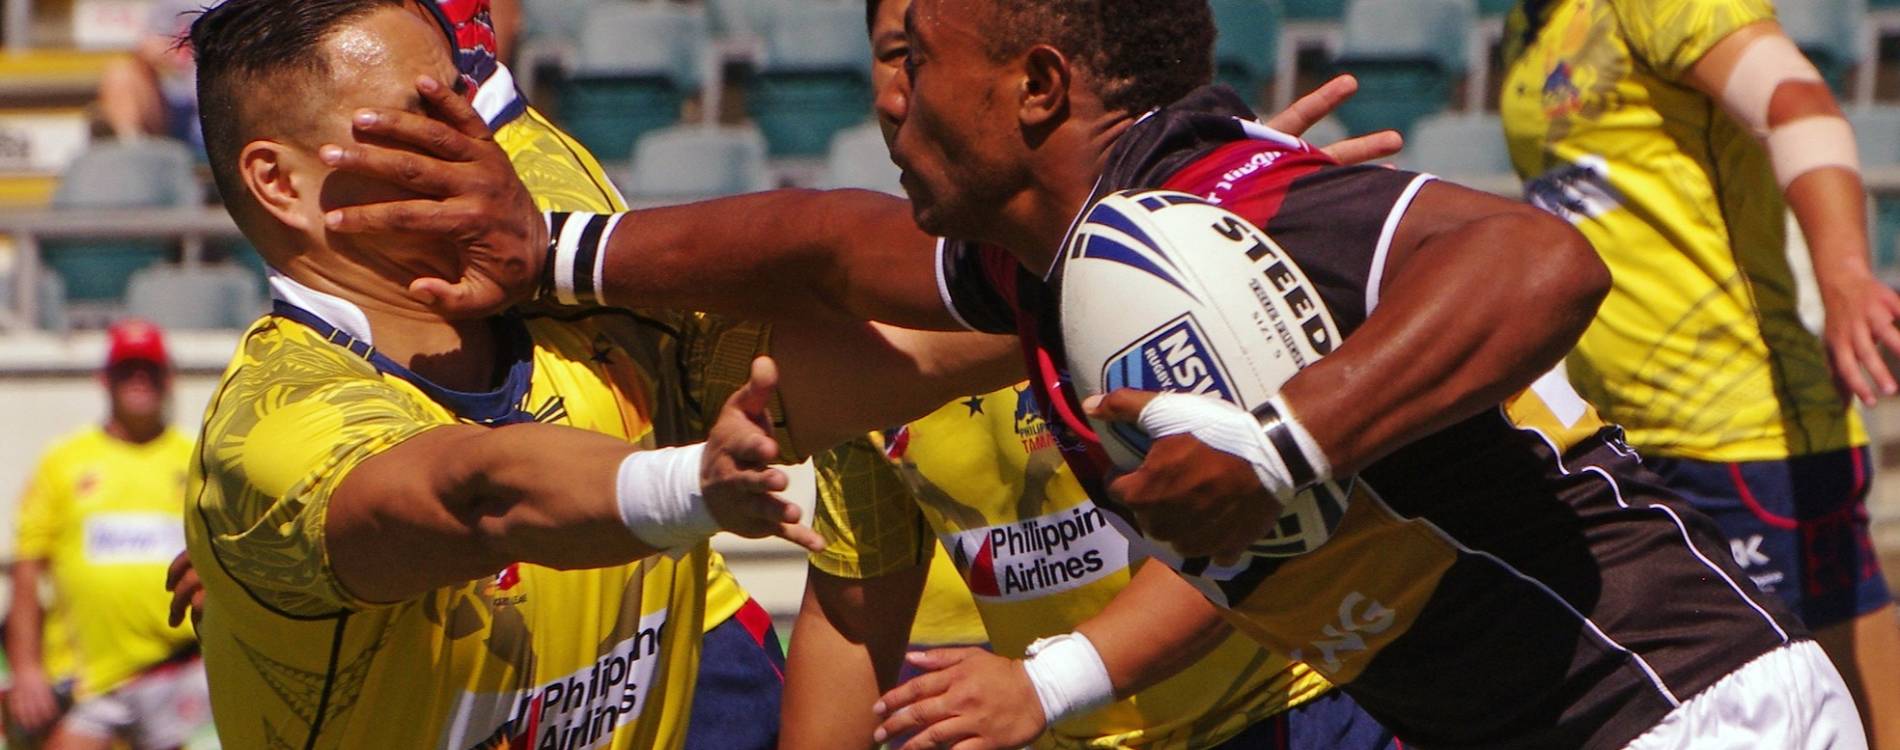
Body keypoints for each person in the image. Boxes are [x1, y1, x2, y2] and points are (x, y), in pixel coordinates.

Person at [324, 0, 1868, 745]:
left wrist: (1275, 445)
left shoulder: (1208, 202)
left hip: (1679, 711)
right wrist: (553, 251)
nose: (885, 93)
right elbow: (824, 244)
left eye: (912, 54)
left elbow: (1542, 262)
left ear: (1039, 83)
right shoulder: (1048, 261)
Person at [176, 2, 835, 747]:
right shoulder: (269, 432)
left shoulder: (524, 176)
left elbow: (867, 282)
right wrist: (683, 484)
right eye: (423, 117)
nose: (471, 142)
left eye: (461, 97)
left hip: (701, 658)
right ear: (278, 181)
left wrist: (971, 274)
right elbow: (478, 489)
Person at [782, 1, 1397, 747]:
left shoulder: (1177, 280)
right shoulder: (881, 338)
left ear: (1036, 79)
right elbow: (853, 618)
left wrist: (1049, 681)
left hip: (1281, 715)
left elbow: (1246, 535)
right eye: (896, 54)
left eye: (927, 56)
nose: (899, 91)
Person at [1500, 2, 1900, 746]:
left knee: (1834, 708)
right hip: (1619, 434)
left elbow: (1797, 103)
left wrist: (1846, 273)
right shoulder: (1527, 28)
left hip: (1743, 426)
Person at [6, 319, 211, 750]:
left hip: (178, 671)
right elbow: (27, 569)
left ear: (168, 379)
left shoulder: (195, 460)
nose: (138, 380)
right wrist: (25, 669)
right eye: (126, 370)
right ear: (104, 379)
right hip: (89, 680)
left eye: (149, 369)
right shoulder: (63, 461)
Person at [97, 0, 211, 149]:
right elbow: (150, 47)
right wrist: (179, 59)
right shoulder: (171, 4)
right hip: (176, 100)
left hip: (220, 96)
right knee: (120, 73)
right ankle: (134, 149)